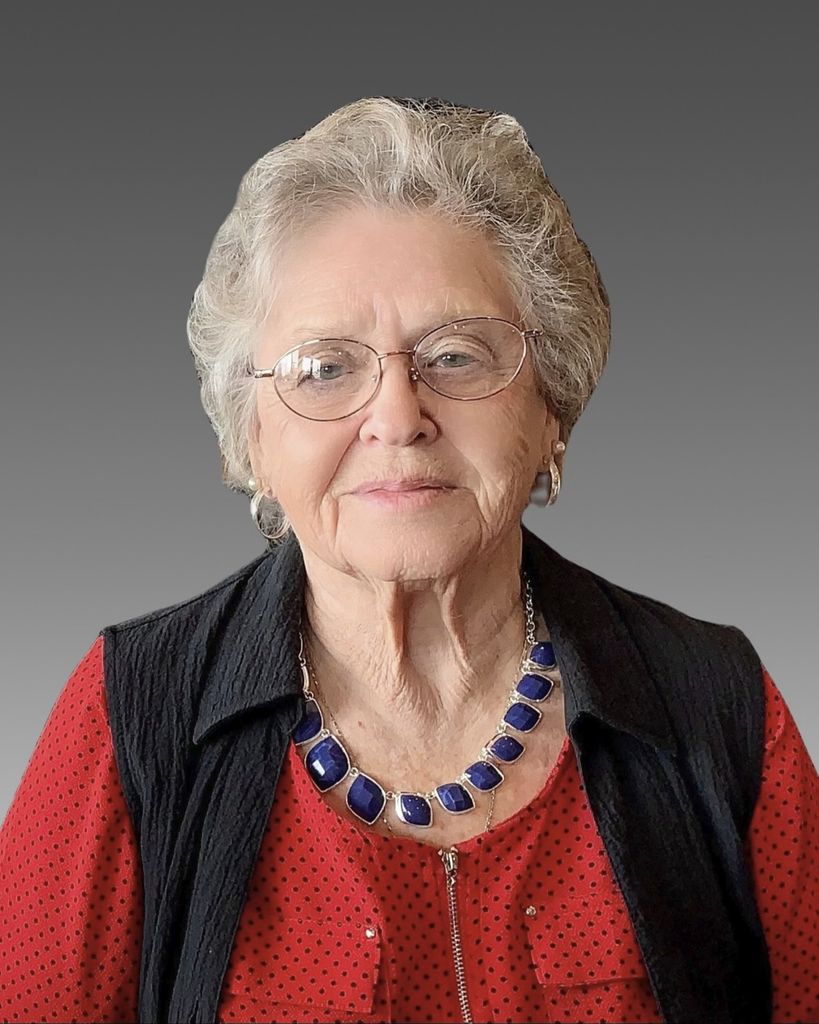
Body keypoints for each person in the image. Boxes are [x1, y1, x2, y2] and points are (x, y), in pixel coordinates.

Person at [0, 95, 816, 1024]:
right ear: (250, 437)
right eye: (325, 368)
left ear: (550, 408)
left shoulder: (715, 703)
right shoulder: (133, 710)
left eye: (457, 356)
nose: (396, 416)